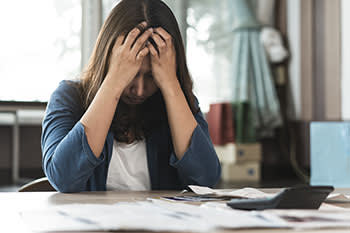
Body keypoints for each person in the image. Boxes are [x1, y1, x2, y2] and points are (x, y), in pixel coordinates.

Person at [41, 0, 221, 193]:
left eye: (152, 76)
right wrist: (113, 82)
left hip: (160, 222)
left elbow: (205, 181)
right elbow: (63, 178)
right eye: (132, 74)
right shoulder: (69, 96)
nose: (140, 90)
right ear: (110, 60)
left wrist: (170, 84)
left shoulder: (180, 101)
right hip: (93, 222)